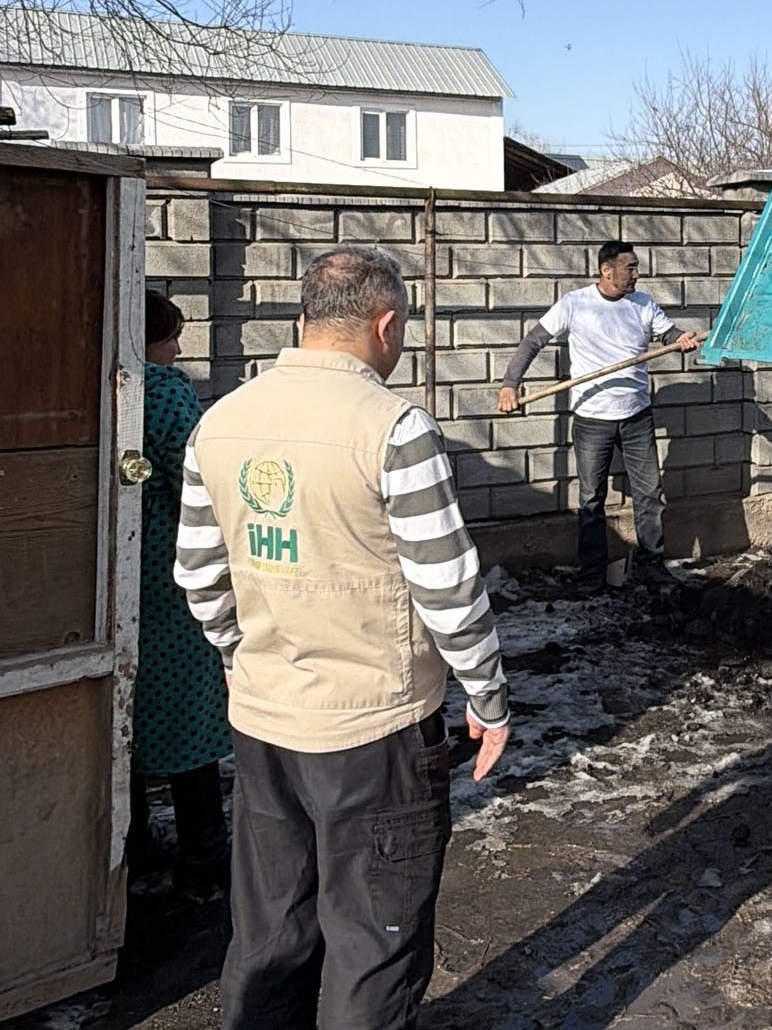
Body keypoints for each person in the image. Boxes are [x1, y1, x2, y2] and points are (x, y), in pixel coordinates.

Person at [174, 247, 512, 1030]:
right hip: (375, 730)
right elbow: (447, 586)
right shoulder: (393, 427)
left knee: (269, 933)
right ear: (385, 326)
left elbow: (197, 571)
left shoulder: (220, 422)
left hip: (265, 723)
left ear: (303, 319)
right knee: (372, 945)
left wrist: (236, 653)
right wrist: (488, 695)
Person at [496, 239, 701, 592]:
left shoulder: (643, 304)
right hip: (592, 419)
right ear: (607, 271)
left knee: (649, 494)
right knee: (591, 499)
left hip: (637, 416)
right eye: (630, 268)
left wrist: (682, 339)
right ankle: (592, 573)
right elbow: (533, 341)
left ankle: (650, 565)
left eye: (636, 267)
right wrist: (510, 385)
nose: (637, 274)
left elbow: (668, 333)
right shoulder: (575, 304)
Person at [130, 290, 231, 895]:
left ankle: (130, 847)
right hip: (169, 578)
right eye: (171, 338)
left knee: (124, 717)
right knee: (189, 717)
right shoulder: (164, 391)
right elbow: (194, 482)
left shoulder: (97, 383)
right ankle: (204, 859)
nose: (177, 350)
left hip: (113, 579)